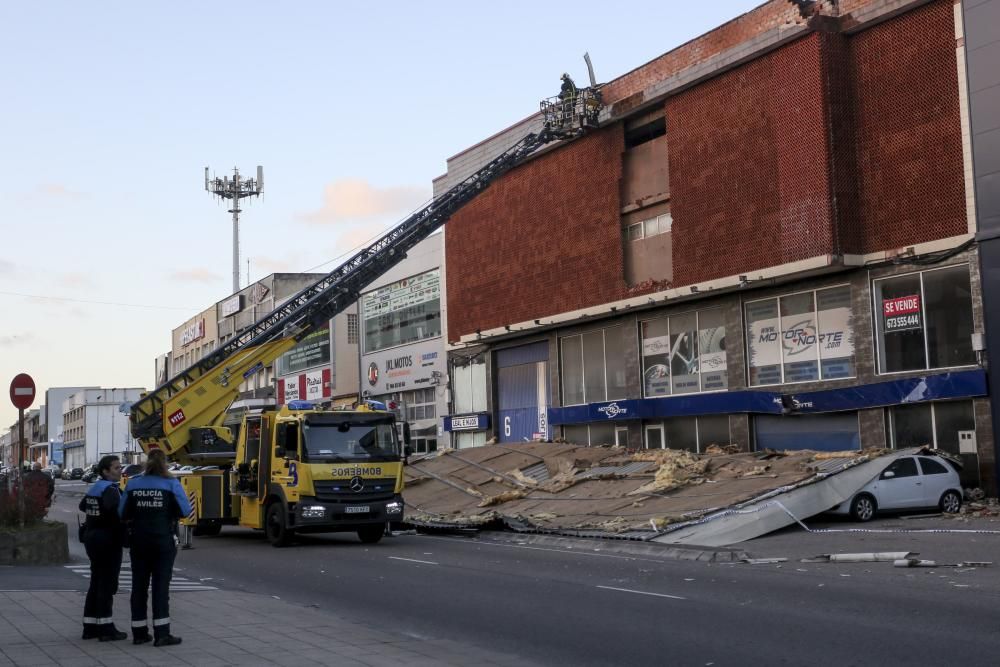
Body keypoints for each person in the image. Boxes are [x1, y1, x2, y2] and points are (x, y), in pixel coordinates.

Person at [119, 448, 191, 647]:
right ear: (165, 462)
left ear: (145, 462)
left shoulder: (133, 483)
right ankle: (162, 634)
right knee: (160, 587)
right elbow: (185, 510)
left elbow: (122, 513)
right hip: (163, 541)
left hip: (139, 541)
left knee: (139, 587)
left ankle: (139, 633)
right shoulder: (171, 483)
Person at [78, 455, 127, 641]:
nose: (120, 470)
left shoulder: (95, 488)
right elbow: (117, 513)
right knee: (107, 584)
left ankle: (89, 627)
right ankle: (106, 628)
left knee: (96, 582)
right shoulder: (111, 490)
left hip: (92, 538)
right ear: (105, 471)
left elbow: (83, 506)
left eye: (120, 467)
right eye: (116, 468)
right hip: (108, 540)